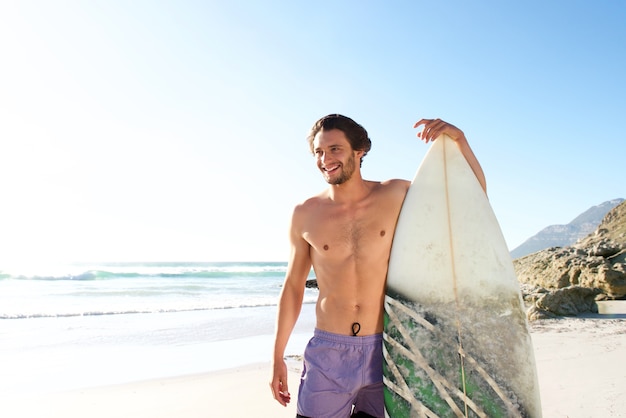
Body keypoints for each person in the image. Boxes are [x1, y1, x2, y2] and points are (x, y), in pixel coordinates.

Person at [270, 115, 486, 418]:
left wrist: (459, 139)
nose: (325, 159)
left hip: (387, 353)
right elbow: (293, 287)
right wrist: (277, 356)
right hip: (329, 354)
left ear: (359, 150)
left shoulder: (395, 195)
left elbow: (471, 200)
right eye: (318, 152)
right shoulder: (305, 214)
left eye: (335, 149)